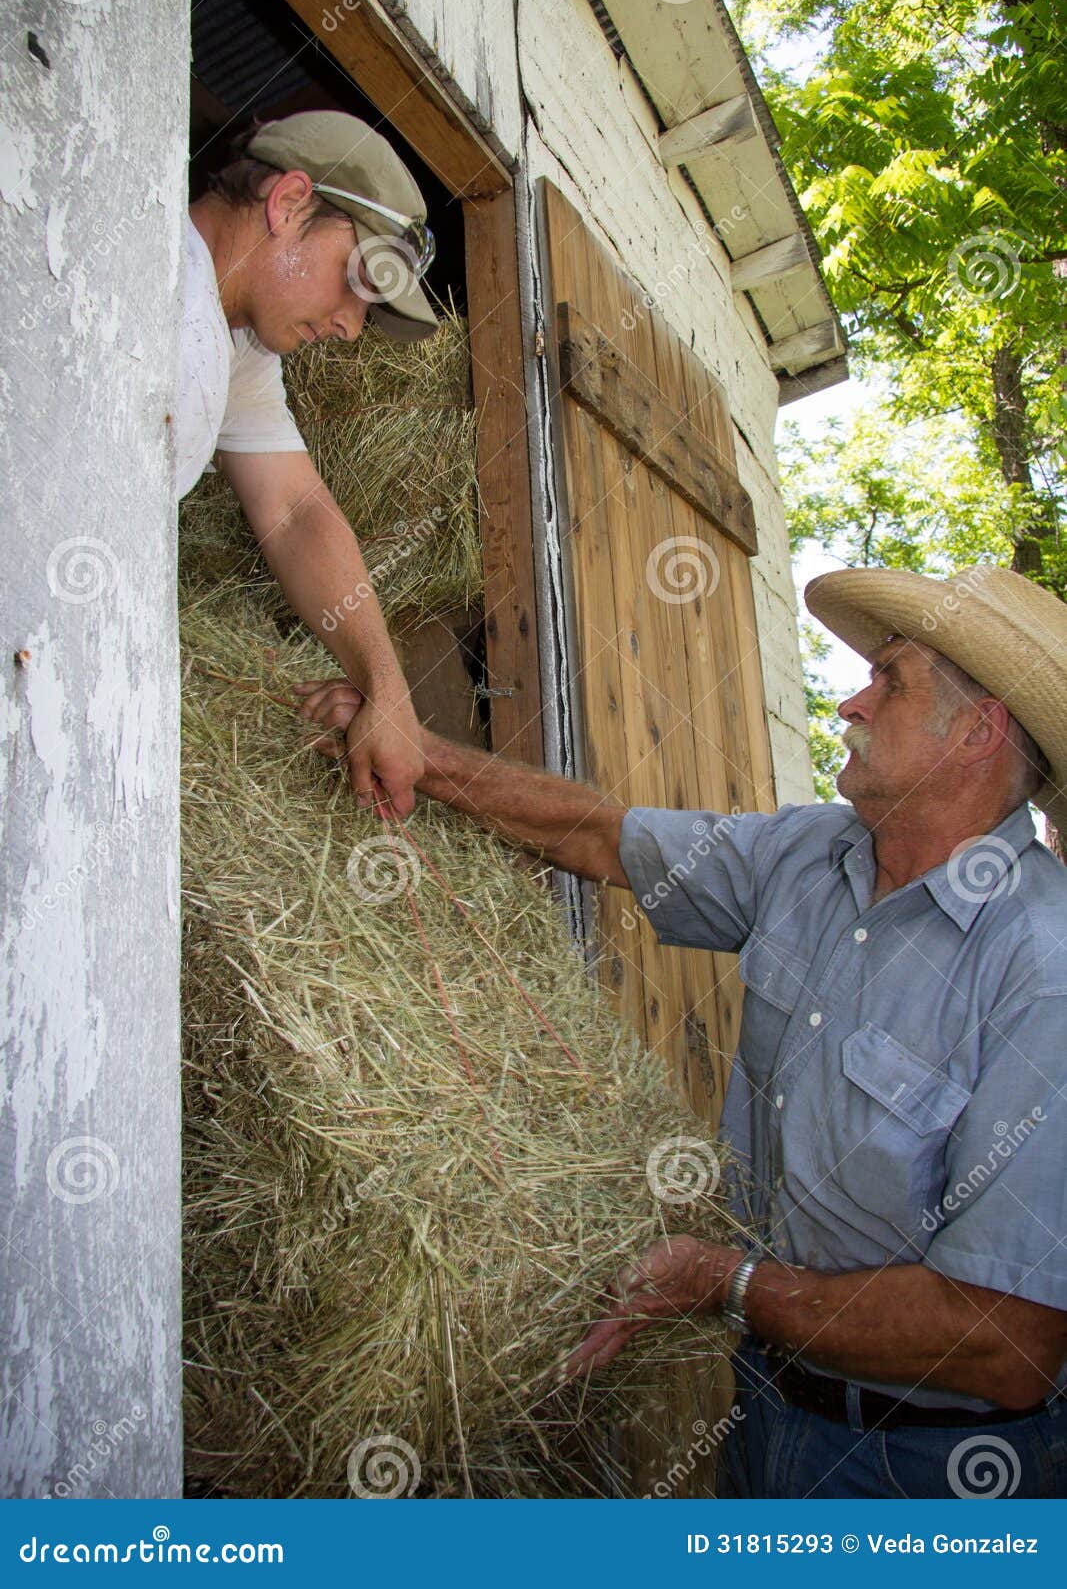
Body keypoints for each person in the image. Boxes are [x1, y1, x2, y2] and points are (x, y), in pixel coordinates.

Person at [295, 563, 1067, 1497]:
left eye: (888, 680)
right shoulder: (809, 855)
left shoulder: (1040, 967)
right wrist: (419, 751)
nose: (850, 702)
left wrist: (729, 1286)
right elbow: (601, 836)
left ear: (976, 733)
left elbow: (1004, 1342)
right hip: (766, 1405)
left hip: (932, 1468)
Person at [181, 109, 438, 816]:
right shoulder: (135, 257)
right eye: (356, 284)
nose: (350, 328)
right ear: (289, 204)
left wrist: (387, 692)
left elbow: (296, 511)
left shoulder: (241, 353)